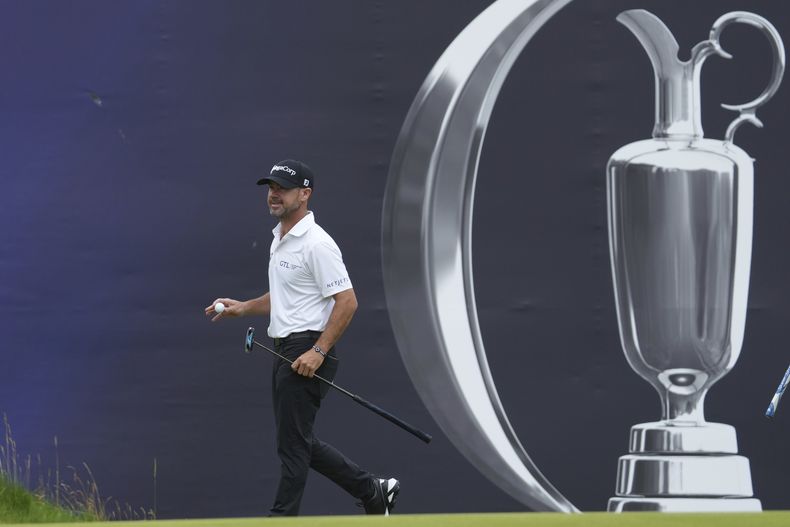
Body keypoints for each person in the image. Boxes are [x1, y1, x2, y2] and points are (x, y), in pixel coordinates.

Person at [204, 159, 399, 516]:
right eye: (270, 187)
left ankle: (282, 519)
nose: (273, 194)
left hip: (307, 349)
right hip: (284, 349)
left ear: (305, 194)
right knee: (296, 442)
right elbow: (287, 295)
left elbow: (348, 301)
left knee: (292, 448)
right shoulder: (280, 239)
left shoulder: (317, 244)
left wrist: (318, 351)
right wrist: (243, 308)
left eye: (282, 188)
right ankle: (372, 489)